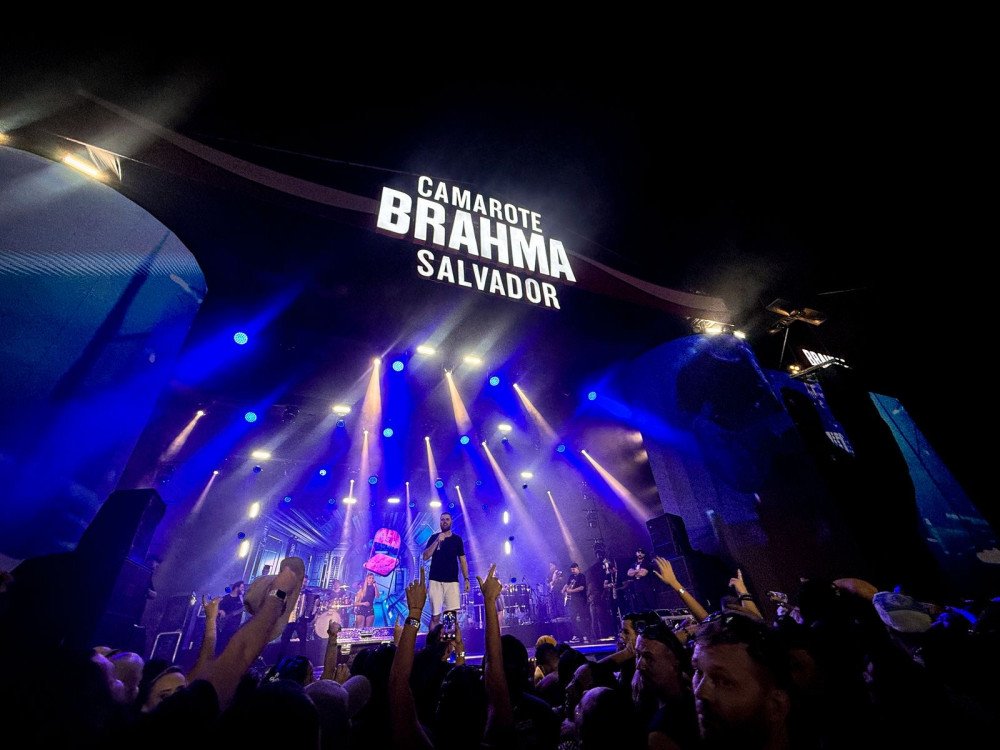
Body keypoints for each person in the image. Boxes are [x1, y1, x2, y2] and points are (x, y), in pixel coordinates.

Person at [421, 513, 470, 629]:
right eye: (442, 519)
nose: (445, 521)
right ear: (440, 522)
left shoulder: (457, 540)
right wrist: (437, 541)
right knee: (435, 617)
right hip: (435, 580)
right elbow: (425, 556)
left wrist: (466, 579)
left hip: (452, 581)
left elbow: (462, 560)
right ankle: (432, 644)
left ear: (451, 521)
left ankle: (448, 645)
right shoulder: (434, 537)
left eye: (447, 519)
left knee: (450, 616)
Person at [279, 575, 321, 656]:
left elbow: (313, 606)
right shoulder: (290, 591)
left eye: (305, 582)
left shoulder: (308, 594)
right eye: (302, 582)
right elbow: (277, 595)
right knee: (284, 641)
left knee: (303, 643)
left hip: (301, 621)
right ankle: (281, 659)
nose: (304, 584)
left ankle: (302, 661)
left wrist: (315, 606)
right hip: (289, 620)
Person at [562, 562, 589, 642]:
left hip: (581, 600)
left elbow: (581, 588)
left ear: (577, 568)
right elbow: (567, 584)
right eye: (571, 570)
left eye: (574, 569)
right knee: (572, 618)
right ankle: (576, 635)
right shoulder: (571, 576)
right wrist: (564, 590)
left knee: (582, 618)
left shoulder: (582, 576)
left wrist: (571, 591)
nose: (573, 571)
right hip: (572, 601)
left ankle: (585, 635)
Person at [217, 580, 245, 650]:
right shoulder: (225, 598)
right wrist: (220, 611)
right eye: (241, 587)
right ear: (236, 588)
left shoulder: (241, 599)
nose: (243, 589)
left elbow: (245, 607)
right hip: (224, 627)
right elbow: (217, 609)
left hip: (236, 628)